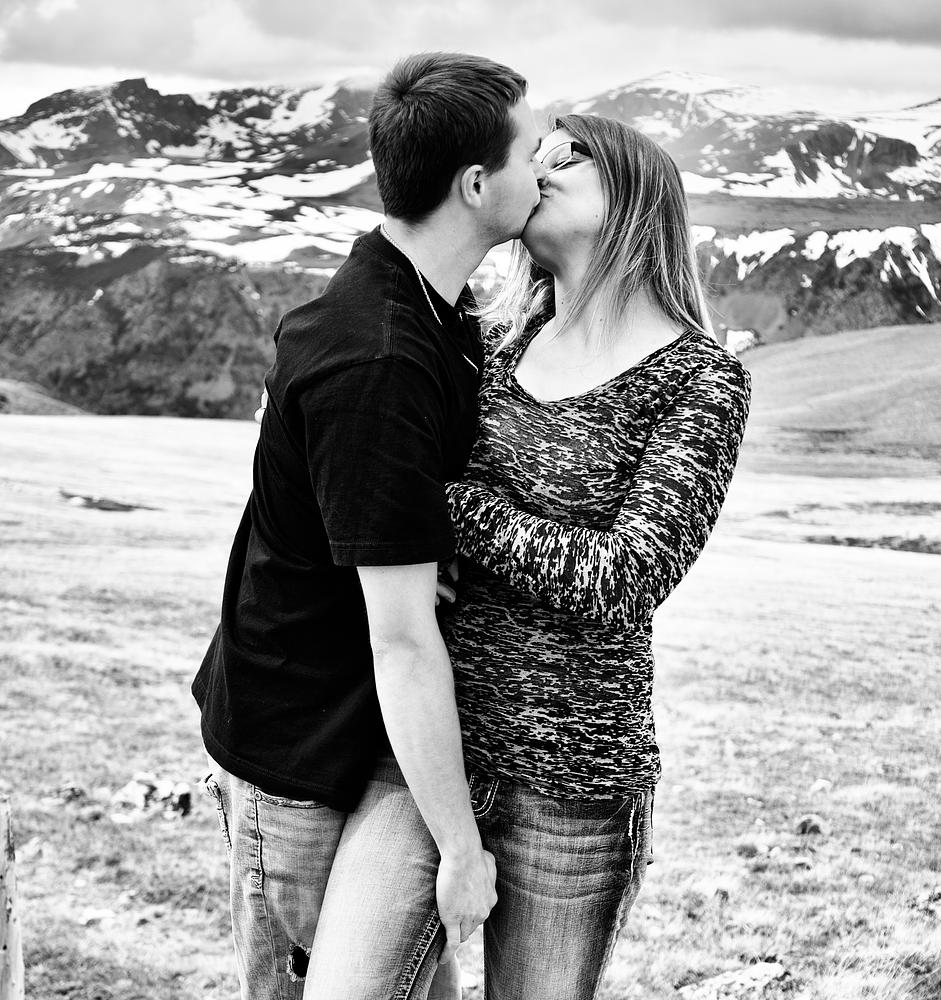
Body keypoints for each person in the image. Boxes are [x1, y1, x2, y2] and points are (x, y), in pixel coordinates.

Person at [304, 114, 752, 1000]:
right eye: (533, 155)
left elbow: (626, 576)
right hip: (427, 752)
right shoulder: (492, 338)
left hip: (574, 787)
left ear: (636, 190)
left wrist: (448, 510)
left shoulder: (700, 377)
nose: (539, 167)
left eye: (567, 154)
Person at [192, 52, 546, 1000]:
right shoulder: (379, 358)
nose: (546, 168)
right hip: (301, 755)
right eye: (530, 151)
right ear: (476, 185)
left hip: (357, 735)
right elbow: (401, 639)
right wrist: (462, 850)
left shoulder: (430, 310)